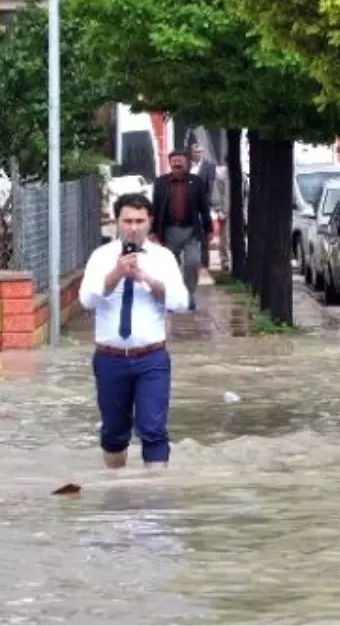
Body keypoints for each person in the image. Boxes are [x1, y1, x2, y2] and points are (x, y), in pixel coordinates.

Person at [78, 193, 190, 469]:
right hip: (110, 357)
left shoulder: (163, 258)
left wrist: (146, 279)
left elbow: (180, 302)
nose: (134, 227)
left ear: (149, 222)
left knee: (153, 430)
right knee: (114, 434)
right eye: (127, 221)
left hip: (151, 357)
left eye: (140, 221)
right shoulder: (101, 256)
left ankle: (155, 501)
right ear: (117, 222)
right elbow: (87, 300)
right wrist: (117, 273)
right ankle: (117, 495)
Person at [152, 151, 212, 310]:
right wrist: (152, 231)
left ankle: (189, 293)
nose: (177, 164)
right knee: (170, 266)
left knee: (192, 262)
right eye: (174, 161)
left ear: (186, 163)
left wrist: (209, 229)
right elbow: (155, 208)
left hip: (191, 231)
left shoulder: (196, 182)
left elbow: (204, 208)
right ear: (170, 163)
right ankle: (172, 297)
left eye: (180, 161)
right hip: (168, 231)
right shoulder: (160, 182)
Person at [190, 144, 218, 268]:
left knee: (203, 234)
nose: (197, 154)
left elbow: (211, 186)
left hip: (202, 205)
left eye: (199, 151)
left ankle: (204, 261)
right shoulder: (188, 166)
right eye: (195, 152)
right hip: (189, 205)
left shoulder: (209, 166)